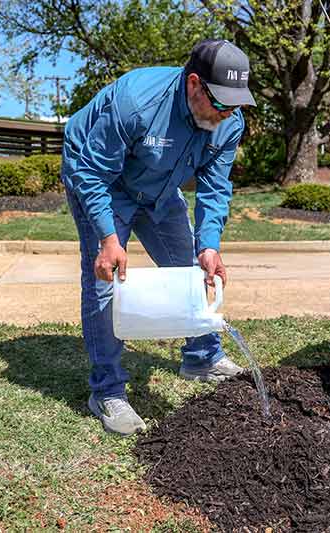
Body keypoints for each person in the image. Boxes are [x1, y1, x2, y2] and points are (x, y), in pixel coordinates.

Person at [61, 39, 256, 436]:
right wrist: (108, 238)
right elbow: (92, 171)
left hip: (161, 191)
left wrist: (209, 245)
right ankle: (107, 390)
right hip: (104, 181)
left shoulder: (228, 123)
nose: (227, 114)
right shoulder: (137, 101)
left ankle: (201, 357)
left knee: (189, 269)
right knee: (105, 283)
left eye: (235, 106)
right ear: (194, 84)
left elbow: (214, 188)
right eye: (220, 103)